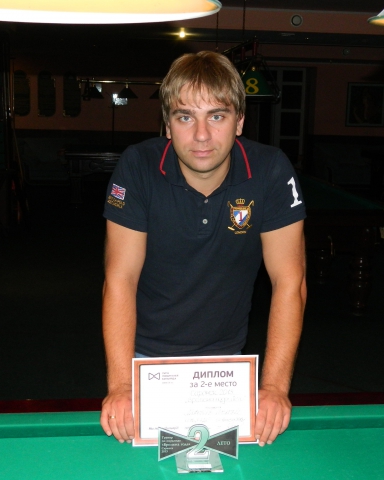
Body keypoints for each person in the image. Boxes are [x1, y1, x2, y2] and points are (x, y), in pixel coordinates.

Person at [100, 51, 307, 447]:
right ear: (167, 124)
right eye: (185, 117)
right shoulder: (138, 166)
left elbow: (290, 282)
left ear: (239, 121)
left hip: (226, 368)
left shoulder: (271, 170)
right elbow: (120, 279)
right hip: (145, 362)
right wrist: (122, 385)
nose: (200, 135)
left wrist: (275, 387)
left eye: (216, 116)